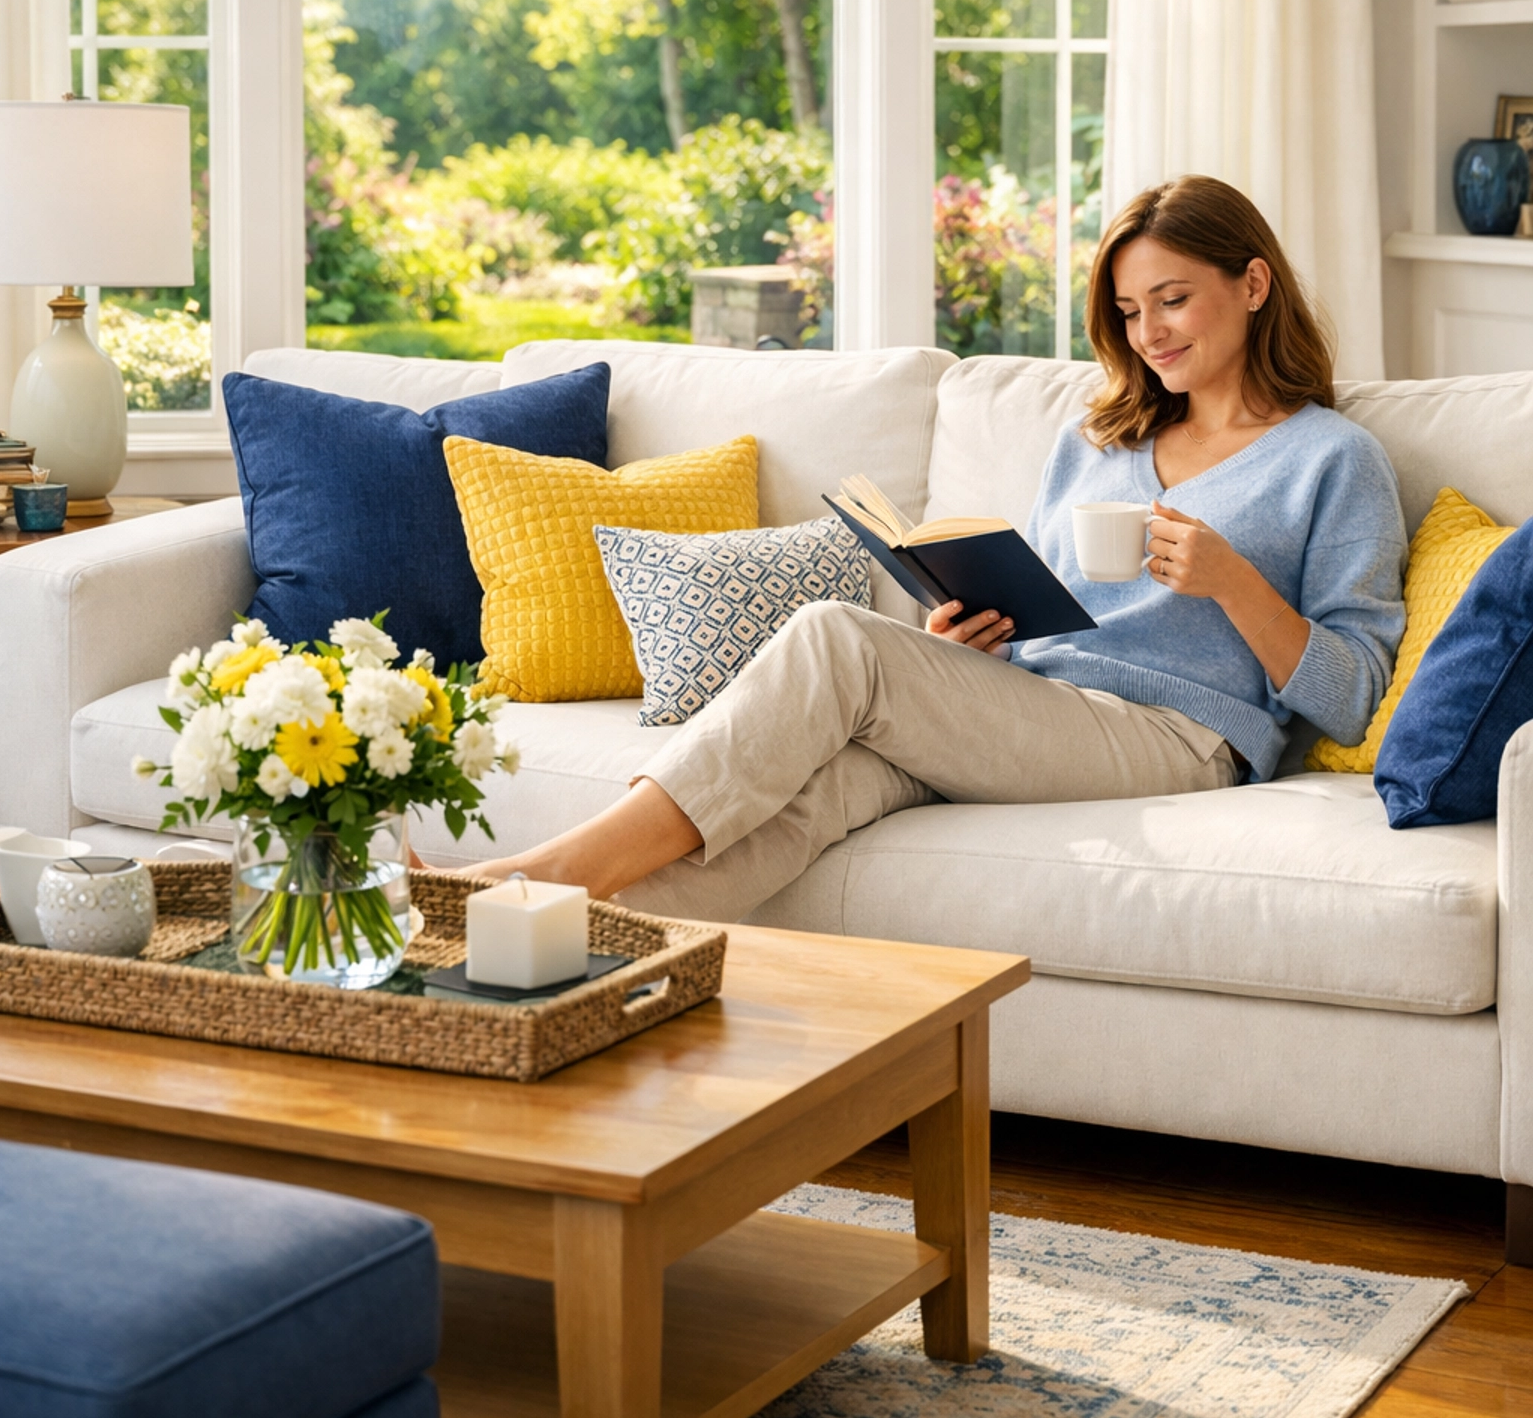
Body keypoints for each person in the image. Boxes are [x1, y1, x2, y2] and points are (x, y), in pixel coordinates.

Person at [450, 175, 1407, 923]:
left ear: (1252, 283)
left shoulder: (1332, 459)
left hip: (1184, 739)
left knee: (841, 635)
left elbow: (1352, 698)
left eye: (1172, 300)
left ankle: (546, 872)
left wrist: (1235, 584)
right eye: (1127, 311)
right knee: (824, 789)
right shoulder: (1098, 437)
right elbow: (1047, 617)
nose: (1148, 333)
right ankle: (539, 948)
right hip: (1037, 705)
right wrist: (966, 644)